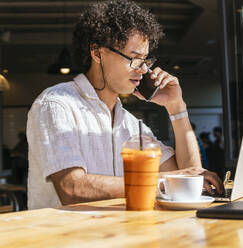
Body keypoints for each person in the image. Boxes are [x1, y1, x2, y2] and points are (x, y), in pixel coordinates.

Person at [26, 0, 223, 210]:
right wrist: (166, 179)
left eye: (145, 60)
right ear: (97, 53)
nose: (142, 70)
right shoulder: (56, 104)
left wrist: (177, 108)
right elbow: (72, 188)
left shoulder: (130, 124)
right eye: (134, 58)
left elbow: (190, 177)